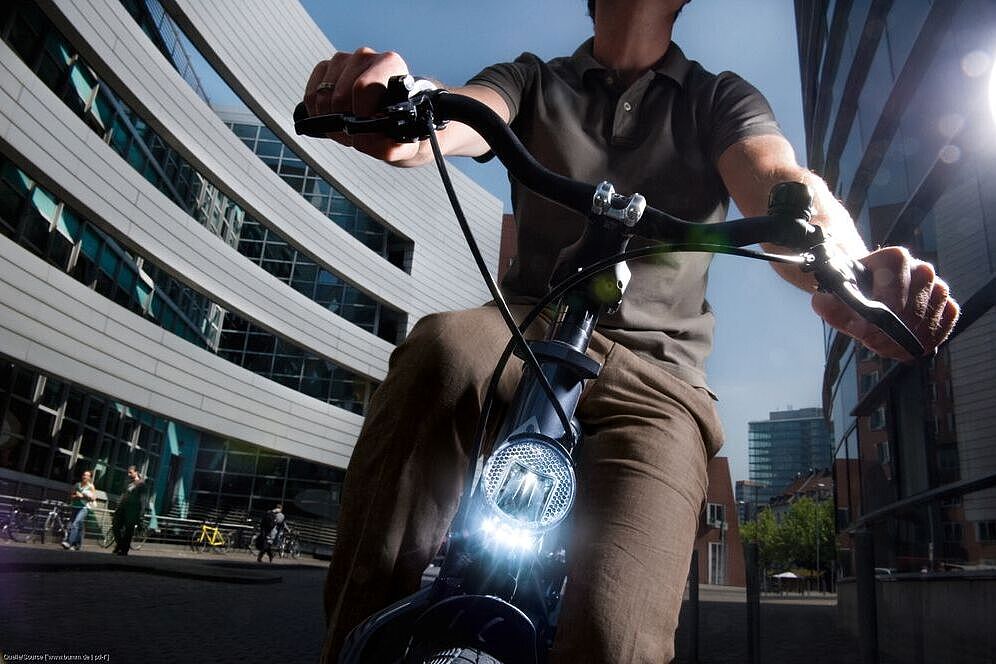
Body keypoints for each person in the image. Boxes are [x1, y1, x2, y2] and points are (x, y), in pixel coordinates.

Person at [303, 1, 960, 661]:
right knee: (440, 349)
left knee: (616, 633)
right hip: (521, 331)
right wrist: (397, 98)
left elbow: (778, 182)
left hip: (660, 374)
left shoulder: (717, 98)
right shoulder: (534, 80)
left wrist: (848, 260)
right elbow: (462, 116)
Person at [111, 465, 145, 556]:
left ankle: (123, 549)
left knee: (129, 530)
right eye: (128, 472)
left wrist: (141, 513)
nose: (129, 474)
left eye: (131, 472)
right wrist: (118, 505)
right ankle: (120, 545)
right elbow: (123, 495)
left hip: (133, 510)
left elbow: (142, 498)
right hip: (122, 507)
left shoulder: (141, 483)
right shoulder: (127, 482)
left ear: (136, 472)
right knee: (115, 525)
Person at [62, 469, 96, 551]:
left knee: (75, 523)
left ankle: (69, 542)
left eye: (87, 475)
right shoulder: (77, 485)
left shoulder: (91, 486)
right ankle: (77, 545)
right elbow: (72, 496)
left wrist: (83, 496)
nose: (85, 477)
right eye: (84, 475)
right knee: (75, 526)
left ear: (90, 478)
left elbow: (93, 498)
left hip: (84, 508)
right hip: (75, 507)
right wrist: (76, 496)